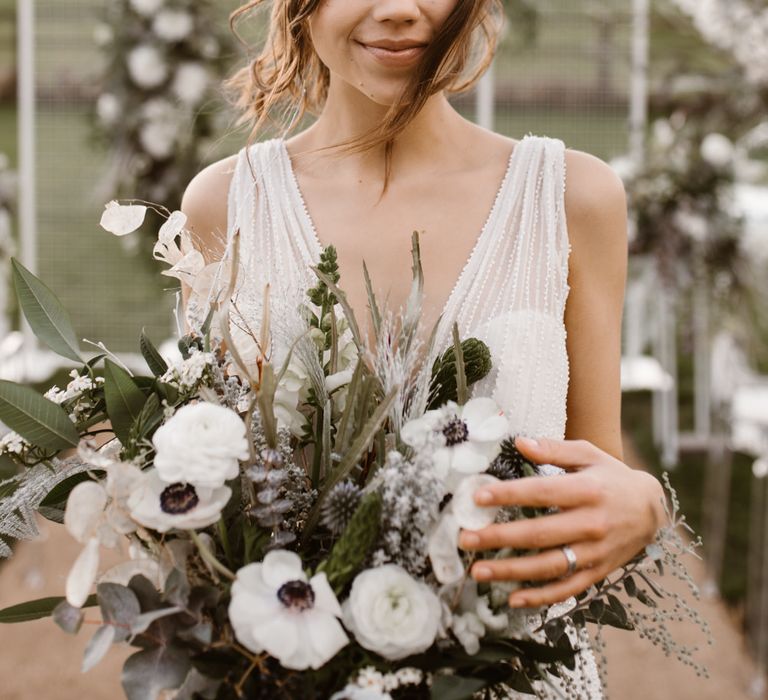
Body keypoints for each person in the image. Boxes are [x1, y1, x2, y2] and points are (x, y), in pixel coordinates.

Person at [180, 1, 667, 696]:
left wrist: (644, 504)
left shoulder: (571, 199)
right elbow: (207, 508)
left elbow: (596, 480)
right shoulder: (223, 207)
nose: (402, 10)